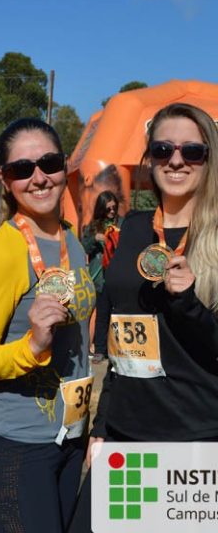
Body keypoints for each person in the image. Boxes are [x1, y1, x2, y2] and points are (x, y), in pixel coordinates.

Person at [70, 102, 218, 532]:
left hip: (195, 439)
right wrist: (102, 424)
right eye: (163, 149)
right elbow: (121, 340)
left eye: (192, 151)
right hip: (126, 431)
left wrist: (188, 303)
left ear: (209, 158)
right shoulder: (134, 228)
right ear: (150, 158)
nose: (176, 160)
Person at [0, 118, 96, 533]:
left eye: (49, 163)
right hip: (17, 446)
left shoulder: (71, 239)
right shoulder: (4, 250)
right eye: (22, 169)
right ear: (5, 180)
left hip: (69, 437)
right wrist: (32, 347)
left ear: (65, 166)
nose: (39, 178)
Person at [81, 190, 122, 363]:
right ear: (101, 209)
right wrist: (94, 239)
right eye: (108, 209)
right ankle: (99, 349)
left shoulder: (122, 223)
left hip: (118, 276)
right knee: (102, 314)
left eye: (114, 208)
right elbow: (83, 248)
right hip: (100, 278)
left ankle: (119, 349)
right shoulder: (93, 227)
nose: (112, 211)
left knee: (118, 314)